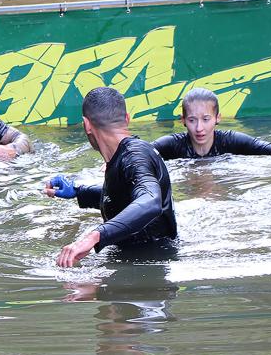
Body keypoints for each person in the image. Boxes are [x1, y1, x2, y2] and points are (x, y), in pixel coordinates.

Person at [44, 86, 177, 267]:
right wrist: (78, 192)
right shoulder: (123, 157)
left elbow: (150, 200)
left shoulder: (134, 157)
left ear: (87, 125)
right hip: (138, 262)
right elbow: (125, 197)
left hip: (148, 269)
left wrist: (94, 236)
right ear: (127, 118)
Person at [152, 87, 271, 167]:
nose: (199, 128)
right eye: (192, 120)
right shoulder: (171, 145)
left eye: (206, 119)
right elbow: (138, 153)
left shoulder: (231, 141)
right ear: (182, 120)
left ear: (217, 118)